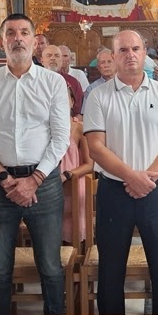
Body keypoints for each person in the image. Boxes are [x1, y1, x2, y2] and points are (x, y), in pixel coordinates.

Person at [0, 13, 73, 315]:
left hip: (43, 185)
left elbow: (60, 137)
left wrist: (35, 180)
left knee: (50, 265)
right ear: (1, 41)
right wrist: (3, 178)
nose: (18, 38)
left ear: (35, 41)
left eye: (24, 32)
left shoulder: (53, 82)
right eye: (11, 33)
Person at [82, 30, 158, 315]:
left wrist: (147, 178)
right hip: (115, 190)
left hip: (157, 188)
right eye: (122, 50)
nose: (130, 55)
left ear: (145, 54)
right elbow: (96, 147)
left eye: (135, 48)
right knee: (111, 266)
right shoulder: (98, 96)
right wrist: (131, 177)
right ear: (112, 57)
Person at [60, 84, 94, 244]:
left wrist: (67, 175)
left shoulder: (79, 128)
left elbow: (89, 164)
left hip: (73, 181)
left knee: (73, 229)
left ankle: (77, 252)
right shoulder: (43, 129)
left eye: (64, 98)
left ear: (72, 101)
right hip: (50, 184)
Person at [42, 44, 84, 117]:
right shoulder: (34, 81)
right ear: (42, 61)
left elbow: (77, 112)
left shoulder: (73, 82)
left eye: (57, 56)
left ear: (61, 61)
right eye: (49, 55)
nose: (53, 58)